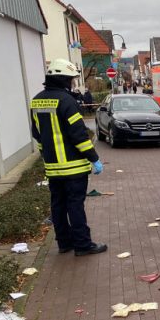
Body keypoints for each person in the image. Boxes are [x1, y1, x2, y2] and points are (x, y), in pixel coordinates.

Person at [30, 58, 107, 256]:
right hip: (73, 167)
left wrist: (45, 156)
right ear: (64, 79)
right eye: (71, 79)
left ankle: (64, 242)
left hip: (53, 167)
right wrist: (93, 158)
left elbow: (37, 134)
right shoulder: (67, 101)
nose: (72, 83)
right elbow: (79, 135)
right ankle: (82, 244)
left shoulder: (37, 100)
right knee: (75, 205)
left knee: (58, 205)